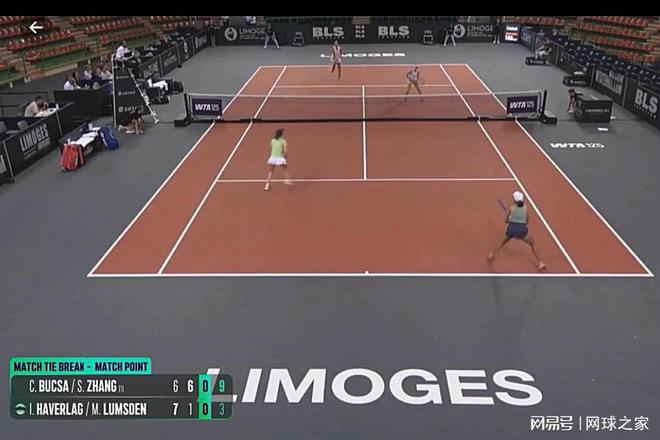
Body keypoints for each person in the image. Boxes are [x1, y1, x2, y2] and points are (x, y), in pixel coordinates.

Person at [487, 191, 546, 271]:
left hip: (511, 229)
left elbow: (507, 220)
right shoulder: (525, 208)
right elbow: (526, 221)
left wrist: (509, 216)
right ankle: (540, 263)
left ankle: (491, 254)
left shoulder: (511, 208)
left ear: (514, 200)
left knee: (502, 242)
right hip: (521, 230)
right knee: (532, 243)